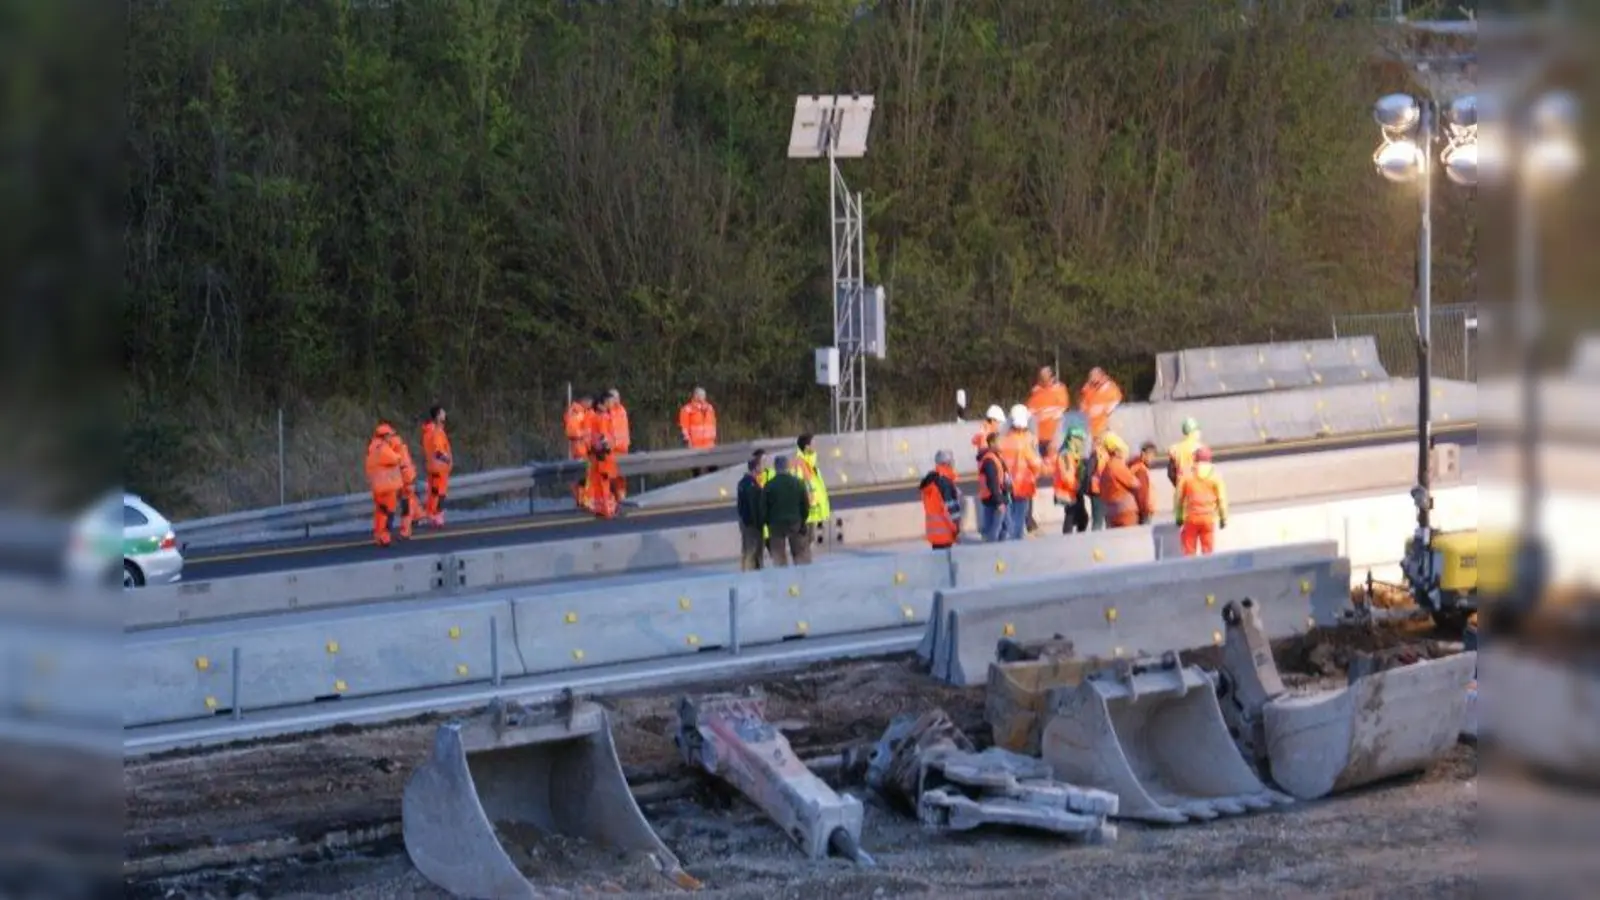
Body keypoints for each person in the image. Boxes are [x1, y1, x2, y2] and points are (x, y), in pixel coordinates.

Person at [1175, 446, 1229, 556]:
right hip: (1208, 518)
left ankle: (1190, 571)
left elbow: (1179, 498)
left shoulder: (1187, 474)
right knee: (1208, 551)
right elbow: (1221, 500)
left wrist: (1178, 517)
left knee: (1189, 552)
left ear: (1195, 458)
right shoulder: (1216, 475)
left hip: (1191, 519)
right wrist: (1223, 518)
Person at [999, 405, 1042, 541]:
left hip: (1006, 486)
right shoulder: (1025, 441)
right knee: (1019, 520)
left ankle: (1008, 541)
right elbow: (1035, 464)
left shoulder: (1002, 440)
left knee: (1010, 517)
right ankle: (1016, 544)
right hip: (1022, 486)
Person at [764, 455, 812, 566]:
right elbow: (805, 505)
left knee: (779, 557)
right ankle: (802, 578)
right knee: (801, 555)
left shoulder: (769, 486)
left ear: (775, 468)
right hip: (795, 523)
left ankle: (782, 580)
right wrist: (802, 520)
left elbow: (764, 508)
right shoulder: (798, 483)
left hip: (775, 525)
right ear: (788, 467)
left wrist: (768, 522)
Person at [364, 422, 404, 547]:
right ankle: (385, 537)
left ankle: (379, 536)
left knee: (380, 513)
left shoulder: (372, 448)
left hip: (378, 487)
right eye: (389, 435)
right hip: (387, 486)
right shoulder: (383, 448)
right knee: (389, 512)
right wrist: (398, 452)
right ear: (384, 436)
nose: (390, 438)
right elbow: (396, 459)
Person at [1094, 433, 1145, 528]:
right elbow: (1135, 484)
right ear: (1117, 451)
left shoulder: (1106, 467)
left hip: (1111, 512)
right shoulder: (1117, 465)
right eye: (1123, 451)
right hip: (1125, 512)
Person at [919, 449, 962, 550]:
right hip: (945, 531)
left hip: (933, 532)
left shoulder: (930, 480)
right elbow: (951, 509)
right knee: (946, 562)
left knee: (938, 560)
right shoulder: (945, 482)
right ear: (947, 463)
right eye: (951, 462)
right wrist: (956, 529)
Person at [794, 434, 831, 551]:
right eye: (813, 443)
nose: (816, 446)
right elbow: (800, 485)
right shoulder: (800, 463)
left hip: (813, 509)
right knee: (805, 541)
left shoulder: (812, 462)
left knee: (810, 539)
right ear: (806, 447)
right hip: (806, 509)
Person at [386, 427, 423, 539]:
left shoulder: (392, 450)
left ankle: (406, 531)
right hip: (408, 478)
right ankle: (417, 517)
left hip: (405, 480)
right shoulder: (401, 446)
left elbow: (401, 467)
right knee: (410, 500)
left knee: (406, 506)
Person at [1026, 367, 1070, 461]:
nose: (1042, 380)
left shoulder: (1059, 390)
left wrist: (1056, 440)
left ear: (1052, 378)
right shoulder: (1036, 392)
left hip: (1054, 439)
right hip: (1039, 439)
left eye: (1044, 378)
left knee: (1055, 466)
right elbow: (1030, 415)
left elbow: (1061, 416)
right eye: (1041, 378)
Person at [1053, 425, 1091, 534]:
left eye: (1081, 440)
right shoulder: (1065, 454)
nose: (1080, 442)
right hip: (1067, 491)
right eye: (1078, 439)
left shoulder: (1074, 454)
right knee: (1071, 516)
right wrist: (1077, 486)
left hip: (1074, 490)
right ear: (1071, 439)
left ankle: (1075, 540)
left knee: (1080, 517)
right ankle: (1069, 541)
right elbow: (1066, 475)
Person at [420, 405, 453, 527]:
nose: (445, 415)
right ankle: (437, 517)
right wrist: (447, 460)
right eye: (443, 413)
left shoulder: (429, 432)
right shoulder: (437, 432)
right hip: (439, 468)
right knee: (440, 494)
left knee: (434, 493)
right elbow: (438, 451)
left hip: (433, 467)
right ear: (438, 416)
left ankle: (432, 515)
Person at [976, 432, 1011, 542]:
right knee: (996, 529)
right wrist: (999, 501)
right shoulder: (990, 460)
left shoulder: (996, 457)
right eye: (1000, 442)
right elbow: (992, 482)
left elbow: (1002, 476)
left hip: (997, 497)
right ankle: (993, 550)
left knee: (1004, 527)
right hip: (994, 499)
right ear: (992, 443)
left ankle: (999, 550)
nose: (1003, 444)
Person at [735, 456, 767, 570]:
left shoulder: (743, 482)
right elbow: (753, 506)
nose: (763, 468)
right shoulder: (751, 484)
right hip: (752, 524)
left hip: (746, 522)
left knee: (748, 550)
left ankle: (748, 573)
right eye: (761, 465)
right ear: (756, 467)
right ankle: (751, 576)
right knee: (752, 552)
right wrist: (759, 523)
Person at [565, 394, 595, 509]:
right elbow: (571, 431)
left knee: (587, 476)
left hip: (587, 449)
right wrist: (584, 433)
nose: (590, 405)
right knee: (581, 476)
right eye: (589, 402)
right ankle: (581, 500)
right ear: (584, 400)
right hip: (579, 449)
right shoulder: (575, 412)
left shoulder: (585, 412)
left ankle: (585, 499)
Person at [679, 387, 717, 476]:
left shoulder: (709, 408)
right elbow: (684, 427)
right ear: (695, 395)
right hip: (695, 446)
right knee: (697, 474)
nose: (702, 397)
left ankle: (713, 488)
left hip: (710, 445)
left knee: (714, 471)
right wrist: (688, 441)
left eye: (703, 395)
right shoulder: (687, 409)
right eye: (700, 395)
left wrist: (714, 438)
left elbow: (713, 423)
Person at [1079, 367, 1124, 439]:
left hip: (1105, 423)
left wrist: (1103, 409)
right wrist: (1085, 409)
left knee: (1105, 444)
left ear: (1100, 375)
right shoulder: (1087, 387)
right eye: (1090, 376)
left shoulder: (1109, 386)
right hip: (1092, 424)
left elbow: (1116, 400)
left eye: (1093, 376)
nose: (1091, 378)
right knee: (1096, 444)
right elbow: (1083, 402)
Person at [1167, 417, 1203, 487]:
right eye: (1198, 430)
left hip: (1182, 487)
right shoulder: (1200, 448)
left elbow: (1171, 473)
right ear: (1193, 432)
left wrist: (1177, 485)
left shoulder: (1174, 449)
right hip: (1197, 488)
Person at [1132, 441, 1159, 526]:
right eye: (1151, 455)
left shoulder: (1140, 468)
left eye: (1154, 456)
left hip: (1144, 509)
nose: (1152, 459)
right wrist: (1145, 510)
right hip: (1144, 511)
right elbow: (1142, 493)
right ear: (1143, 454)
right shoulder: (1140, 470)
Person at [606, 388, 631, 455]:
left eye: (618, 397)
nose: (617, 399)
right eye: (614, 397)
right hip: (611, 448)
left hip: (623, 447)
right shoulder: (606, 411)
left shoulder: (622, 410)